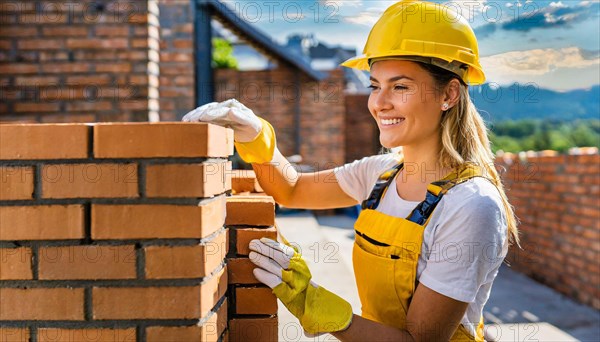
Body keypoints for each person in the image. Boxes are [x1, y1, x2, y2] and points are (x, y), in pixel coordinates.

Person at [183, 1, 519, 340]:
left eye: (400, 86)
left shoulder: (471, 205)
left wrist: (311, 302)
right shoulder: (381, 176)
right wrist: (256, 135)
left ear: (449, 94)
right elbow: (293, 189)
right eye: (375, 85)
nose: (379, 102)